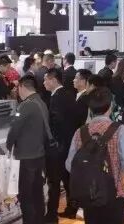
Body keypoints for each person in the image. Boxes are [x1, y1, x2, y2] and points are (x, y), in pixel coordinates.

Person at [65, 87, 124, 224]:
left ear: (90, 109)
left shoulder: (80, 132)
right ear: (110, 107)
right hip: (114, 192)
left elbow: (69, 165)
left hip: (88, 194)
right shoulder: (119, 129)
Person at [6, 75, 51, 224]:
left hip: (26, 158)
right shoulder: (41, 102)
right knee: (37, 193)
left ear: (22, 87)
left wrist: (8, 146)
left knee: (26, 196)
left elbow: (14, 128)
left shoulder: (26, 105)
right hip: (39, 156)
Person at [43, 68, 77, 223]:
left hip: (59, 148)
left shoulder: (56, 98)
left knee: (54, 182)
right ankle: (71, 209)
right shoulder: (69, 94)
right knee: (68, 180)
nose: (44, 83)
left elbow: (57, 123)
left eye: (46, 79)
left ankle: (52, 215)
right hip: (69, 145)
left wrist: (54, 142)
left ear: (53, 80)